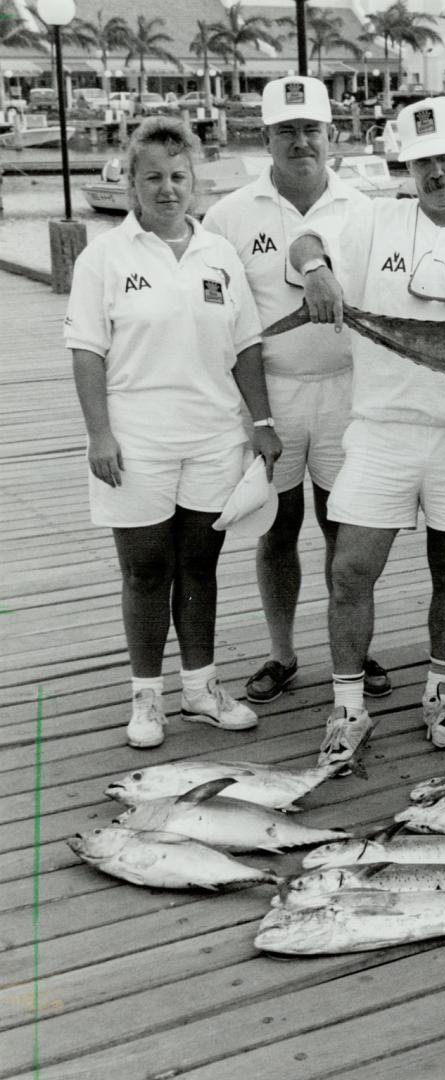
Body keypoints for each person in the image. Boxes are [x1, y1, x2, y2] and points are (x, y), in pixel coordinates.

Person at [288, 96, 445, 769]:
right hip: (383, 429)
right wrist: (316, 272)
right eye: (423, 161)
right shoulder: (372, 222)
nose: (437, 172)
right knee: (350, 569)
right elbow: (305, 242)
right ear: (408, 165)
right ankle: (347, 707)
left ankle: (441, 689)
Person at [65, 117, 282, 749]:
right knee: (144, 571)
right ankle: (146, 697)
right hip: (136, 440)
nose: (167, 189)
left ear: (195, 182)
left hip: (213, 435)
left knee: (200, 565)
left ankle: (200, 689)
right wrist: (98, 435)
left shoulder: (218, 254)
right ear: (132, 183)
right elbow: (86, 351)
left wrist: (262, 422)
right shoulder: (104, 256)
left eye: (178, 176)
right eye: (153, 177)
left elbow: (245, 346)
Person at [203, 76, 390, 707]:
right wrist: (254, 415)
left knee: (347, 529)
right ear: (265, 137)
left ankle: (354, 651)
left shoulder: (368, 210)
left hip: (347, 390)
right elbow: (224, 323)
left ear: (332, 134)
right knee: (276, 531)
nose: (300, 142)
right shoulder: (229, 215)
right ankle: (281, 652)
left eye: (311, 129)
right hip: (272, 394)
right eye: (286, 130)